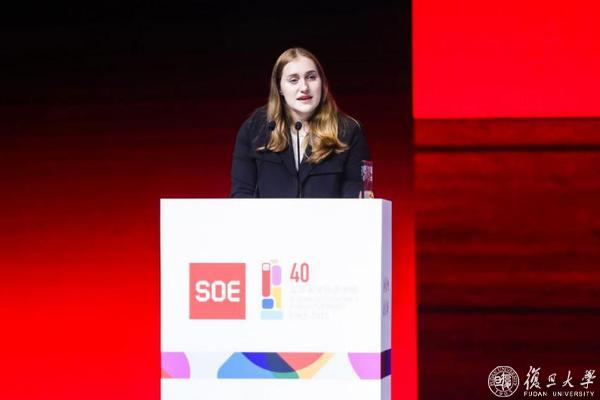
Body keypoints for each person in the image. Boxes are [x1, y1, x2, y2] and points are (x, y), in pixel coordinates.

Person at [230, 47, 370, 198]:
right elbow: (241, 194)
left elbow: (356, 198)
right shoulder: (255, 129)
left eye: (311, 77)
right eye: (293, 80)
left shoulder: (347, 132)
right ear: (279, 88)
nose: (304, 87)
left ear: (322, 82)